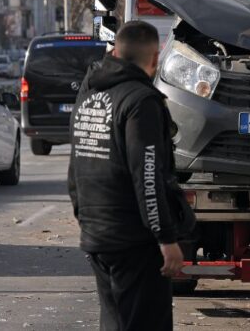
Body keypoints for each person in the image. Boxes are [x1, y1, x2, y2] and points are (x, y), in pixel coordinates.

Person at [67, 21, 184, 331]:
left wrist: (85, 218)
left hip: (97, 235)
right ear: (155, 58)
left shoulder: (89, 96)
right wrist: (166, 238)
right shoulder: (140, 101)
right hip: (134, 239)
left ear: (116, 52)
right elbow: (147, 174)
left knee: (115, 322)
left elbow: (75, 167)